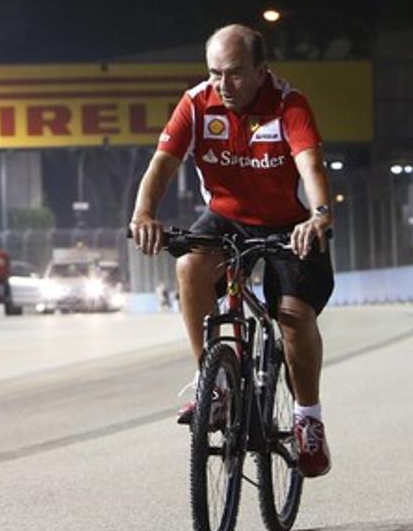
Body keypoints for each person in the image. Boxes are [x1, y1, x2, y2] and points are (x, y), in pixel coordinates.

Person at [130, 24, 333, 478]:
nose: (224, 84)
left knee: (294, 317)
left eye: (236, 73)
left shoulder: (288, 104)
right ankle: (216, 385)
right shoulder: (197, 103)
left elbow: (311, 164)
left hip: (291, 223)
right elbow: (162, 164)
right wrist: (143, 214)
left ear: (262, 70)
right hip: (227, 217)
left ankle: (308, 419)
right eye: (215, 73)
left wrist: (319, 214)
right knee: (189, 266)